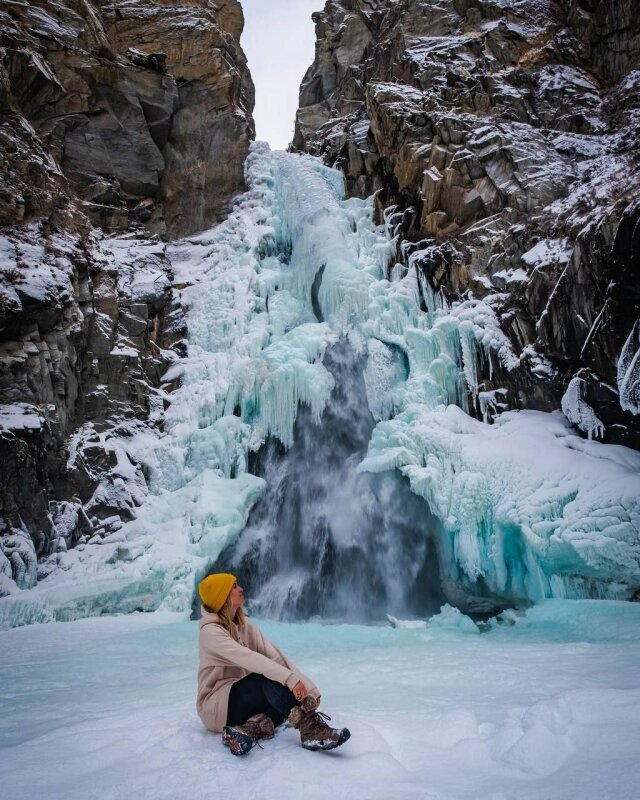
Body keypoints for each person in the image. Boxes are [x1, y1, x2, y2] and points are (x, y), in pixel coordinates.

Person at [196, 572, 351, 756]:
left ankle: (249, 730)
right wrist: (288, 679)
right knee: (266, 677)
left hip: (242, 701)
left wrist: (306, 690)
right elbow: (251, 660)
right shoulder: (210, 633)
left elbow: (275, 658)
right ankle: (311, 730)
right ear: (223, 596)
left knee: (282, 701)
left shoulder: (245, 626)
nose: (241, 589)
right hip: (217, 707)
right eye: (235, 586)